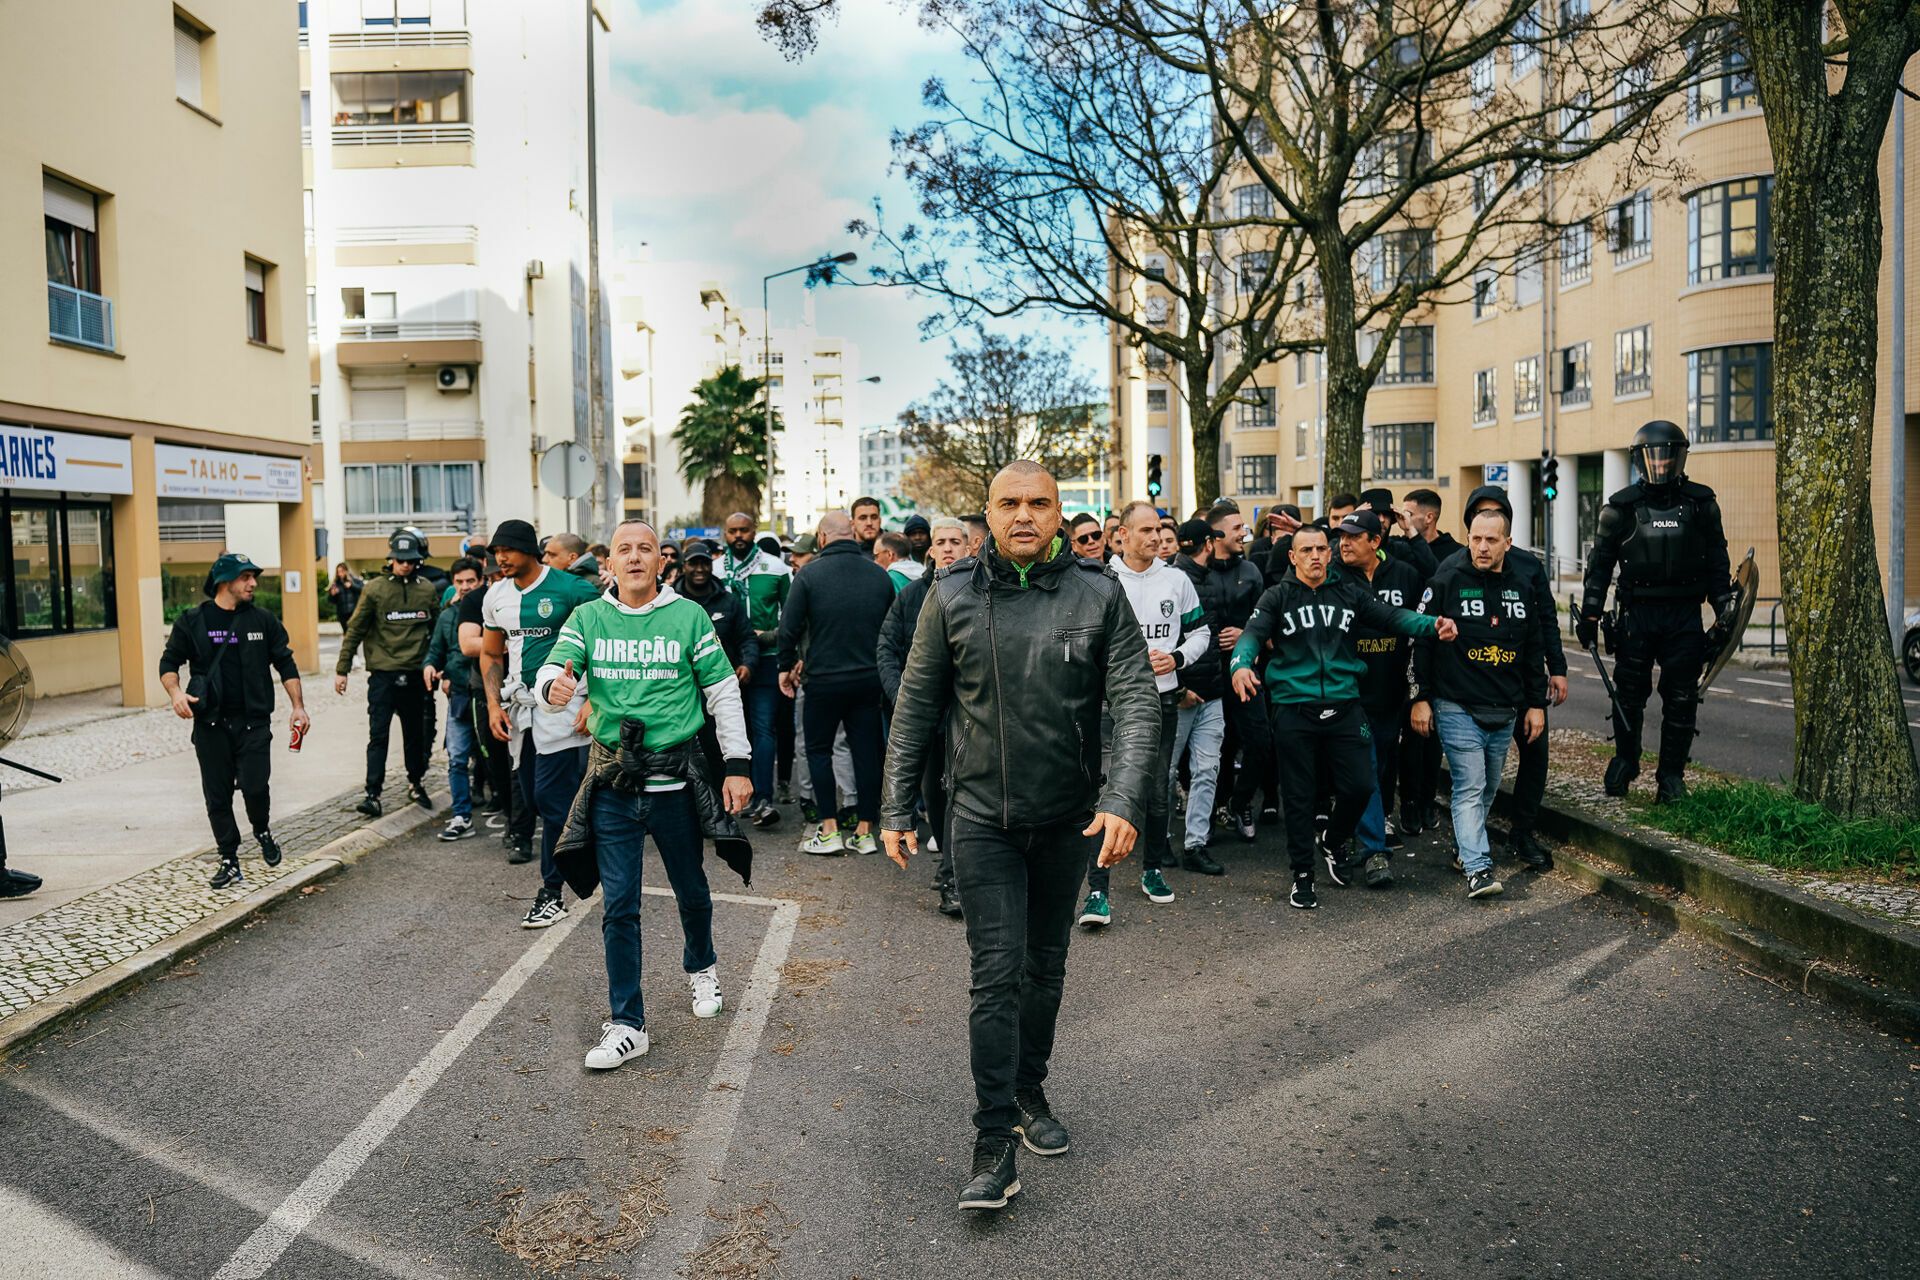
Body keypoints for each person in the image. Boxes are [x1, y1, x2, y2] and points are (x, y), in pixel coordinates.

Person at [879, 461, 1160, 1214]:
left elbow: (1135, 701)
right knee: (996, 974)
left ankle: (1029, 1086)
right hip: (978, 819)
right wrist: (895, 808)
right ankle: (994, 1141)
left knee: (1046, 967)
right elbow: (915, 707)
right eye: (1010, 504)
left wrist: (1124, 797)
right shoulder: (952, 592)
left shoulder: (1099, 593)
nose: (1024, 515)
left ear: (1062, 515)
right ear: (988, 514)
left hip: (1070, 818)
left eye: (1039, 503)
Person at [537, 519, 753, 1071]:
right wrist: (552, 688)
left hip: (676, 784)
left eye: (646, 549)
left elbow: (723, 690)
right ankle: (628, 1025)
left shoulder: (688, 617)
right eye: (623, 550)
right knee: (620, 907)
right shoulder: (587, 618)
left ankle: (701, 965)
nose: (635, 557)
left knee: (692, 889)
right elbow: (551, 674)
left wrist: (736, 765)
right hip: (612, 785)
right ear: (608, 563)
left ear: (663, 561)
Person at [1229, 525, 1450, 910]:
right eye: (1306, 550)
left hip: (1346, 706)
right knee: (1298, 797)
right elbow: (1251, 634)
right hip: (1295, 709)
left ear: (1329, 555)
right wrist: (1241, 665)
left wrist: (1433, 625)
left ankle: (1333, 839)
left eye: (1320, 549)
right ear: (1293, 557)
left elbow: (1393, 617)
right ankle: (1302, 875)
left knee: (1362, 786)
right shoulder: (1277, 596)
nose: (1315, 555)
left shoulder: (1349, 594)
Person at [1579, 420, 1734, 804]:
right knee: (1629, 693)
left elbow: (1718, 563)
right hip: (1637, 616)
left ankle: (1670, 777)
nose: (1661, 464)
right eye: (1654, 457)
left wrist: (1724, 608)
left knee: (1682, 697)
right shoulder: (1619, 508)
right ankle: (1625, 760)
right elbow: (1599, 567)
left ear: (1680, 457)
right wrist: (1591, 615)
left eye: (1668, 456)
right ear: (1639, 460)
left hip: (1684, 615)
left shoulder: (1701, 504)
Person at [1079, 499, 1209, 925]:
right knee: (1105, 791)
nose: (1155, 537)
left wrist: (1177, 658)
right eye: (1146, 531)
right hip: (1108, 704)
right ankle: (1097, 892)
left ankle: (1152, 870)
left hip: (1162, 699)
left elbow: (1201, 632)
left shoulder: (1176, 580)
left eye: (1158, 530)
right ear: (1123, 536)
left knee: (1157, 789)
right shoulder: (1101, 580)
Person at [1410, 506, 1547, 898]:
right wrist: (1420, 698)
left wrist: (1535, 704)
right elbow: (1419, 641)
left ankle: (1463, 848)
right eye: (1475, 538)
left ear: (1508, 543)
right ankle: (1479, 868)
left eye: (1491, 540)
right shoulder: (1444, 581)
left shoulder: (1522, 586)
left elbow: (1533, 646)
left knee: (1486, 788)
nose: (1482, 547)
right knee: (1470, 786)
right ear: (1467, 538)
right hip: (1456, 704)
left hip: (1504, 709)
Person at [479, 519, 602, 928]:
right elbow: (492, 654)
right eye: (496, 552)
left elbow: (605, 644)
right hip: (521, 710)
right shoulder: (496, 595)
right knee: (532, 799)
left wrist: (594, 702)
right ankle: (594, 844)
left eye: (508, 550)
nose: (500, 558)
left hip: (565, 709)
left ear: (530, 550)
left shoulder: (572, 588)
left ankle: (553, 892)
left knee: (551, 800)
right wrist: (494, 705)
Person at [160, 552, 308, 889]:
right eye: (246, 577)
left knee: (256, 788)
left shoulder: (263, 620)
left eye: (253, 577)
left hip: (254, 723)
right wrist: (176, 694)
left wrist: (298, 707)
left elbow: (285, 663)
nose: (253, 583)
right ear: (225, 581)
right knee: (218, 796)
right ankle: (229, 858)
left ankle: (262, 829)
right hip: (211, 725)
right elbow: (168, 663)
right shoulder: (192, 621)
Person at [1460, 486, 1567, 869]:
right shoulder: (1457, 567)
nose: (1486, 539)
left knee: (1535, 754)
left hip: (1522, 680)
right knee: (1477, 772)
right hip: (1474, 685)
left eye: (1495, 518)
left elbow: (1545, 621)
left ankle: (1522, 832)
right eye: (1480, 519)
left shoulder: (1527, 566)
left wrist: (1557, 669)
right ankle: (1470, 839)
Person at [778, 511, 895, 854]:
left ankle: (829, 829)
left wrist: (786, 666)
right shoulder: (878, 575)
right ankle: (865, 830)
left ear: (822, 538)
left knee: (818, 751)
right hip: (868, 679)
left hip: (824, 680)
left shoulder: (810, 575)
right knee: (866, 753)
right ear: (853, 534)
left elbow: (789, 628)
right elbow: (892, 630)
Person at [877, 515, 971, 917]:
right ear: (929, 549)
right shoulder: (912, 595)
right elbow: (886, 648)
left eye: (955, 541)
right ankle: (949, 862)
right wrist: (904, 699)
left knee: (957, 795)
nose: (948, 548)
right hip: (925, 716)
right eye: (941, 542)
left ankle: (953, 879)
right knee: (934, 794)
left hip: (967, 718)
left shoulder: (981, 591)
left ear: (969, 547)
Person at [1333, 510, 1429, 887]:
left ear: (1376, 541)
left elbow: (1422, 622)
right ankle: (1375, 852)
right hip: (1350, 693)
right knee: (1365, 766)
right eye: (1341, 536)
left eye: (1354, 536)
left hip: (1392, 691)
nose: (1344, 543)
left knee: (1380, 767)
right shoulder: (1334, 577)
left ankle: (1350, 833)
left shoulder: (1404, 574)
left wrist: (1420, 690)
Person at [336, 529, 440, 817]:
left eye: (410, 560)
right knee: (378, 735)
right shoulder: (375, 589)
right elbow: (355, 628)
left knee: (415, 735)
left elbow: (437, 629)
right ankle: (373, 794)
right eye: (400, 559)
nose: (405, 564)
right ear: (391, 558)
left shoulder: (426, 589)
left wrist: (438, 664)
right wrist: (342, 669)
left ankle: (416, 783)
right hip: (383, 675)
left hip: (416, 675)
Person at [1201, 504, 1274, 842]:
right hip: (1211, 675)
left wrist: (1245, 631)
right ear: (1215, 536)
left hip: (1247, 673)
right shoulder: (1197, 573)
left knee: (1260, 742)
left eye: (1245, 527)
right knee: (1220, 748)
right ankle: (1215, 807)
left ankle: (1240, 801)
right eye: (1236, 528)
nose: (1244, 533)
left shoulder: (1252, 571)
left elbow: (1267, 621)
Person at [720, 512, 792, 827]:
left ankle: (763, 797)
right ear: (725, 534)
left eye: (744, 530)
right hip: (723, 661)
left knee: (763, 729)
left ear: (754, 531)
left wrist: (786, 652)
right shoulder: (713, 570)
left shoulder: (776, 568)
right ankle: (729, 796)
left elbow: (791, 616)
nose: (738, 536)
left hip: (766, 657)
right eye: (732, 531)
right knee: (730, 730)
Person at [1166, 518, 1228, 876]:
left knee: (1206, 769)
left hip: (1211, 694)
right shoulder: (1174, 582)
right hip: (1183, 694)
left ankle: (1195, 844)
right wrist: (1178, 689)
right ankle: (1161, 842)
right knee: (1166, 771)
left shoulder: (1209, 578)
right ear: (1208, 543)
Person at [1398, 486, 1459, 837]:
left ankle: (1426, 799)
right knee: (1410, 729)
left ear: (1429, 517)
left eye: (1409, 514)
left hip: (1440, 652)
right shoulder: (1400, 549)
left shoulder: (1454, 552)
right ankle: (1408, 801)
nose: (1403, 520)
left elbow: (1440, 579)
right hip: (1405, 649)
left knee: (1434, 732)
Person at [424, 556, 485, 842]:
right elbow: (436, 649)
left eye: (470, 581)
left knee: (500, 759)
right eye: (459, 582)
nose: (464, 587)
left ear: (481, 580)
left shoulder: (492, 608)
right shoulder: (448, 615)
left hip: (490, 695)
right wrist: (430, 666)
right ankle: (461, 815)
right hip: (459, 695)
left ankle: (517, 820)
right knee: (457, 757)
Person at [327, 562, 364, 627]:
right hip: (342, 614)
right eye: (338, 572)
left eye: (342, 571)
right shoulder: (336, 584)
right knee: (346, 633)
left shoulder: (355, 581)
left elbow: (363, 591)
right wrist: (333, 594)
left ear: (346, 571)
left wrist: (352, 586)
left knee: (353, 632)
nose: (340, 574)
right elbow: (331, 601)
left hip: (354, 613)